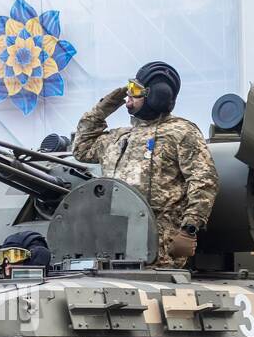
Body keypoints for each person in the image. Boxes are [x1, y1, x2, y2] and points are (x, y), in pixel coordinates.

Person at [72, 62, 220, 269]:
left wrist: (189, 229)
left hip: (158, 251)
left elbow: (204, 181)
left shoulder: (181, 132)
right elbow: (81, 148)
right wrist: (104, 107)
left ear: (156, 97)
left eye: (135, 92)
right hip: (110, 246)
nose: (128, 97)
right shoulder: (119, 137)